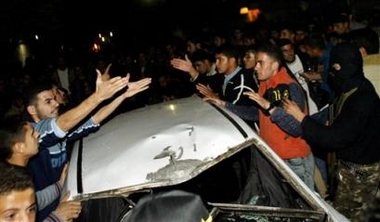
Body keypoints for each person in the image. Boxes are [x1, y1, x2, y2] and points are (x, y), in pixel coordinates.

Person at [23, 64, 151, 221]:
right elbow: (62, 124)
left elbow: (93, 120)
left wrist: (123, 96)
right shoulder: (33, 132)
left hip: (66, 203)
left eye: (54, 99)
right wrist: (98, 96)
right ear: (32, 110)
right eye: (48, 101)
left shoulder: (59, 131)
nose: (56, 103)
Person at [283, 42, 380, 221]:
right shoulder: (352, 86)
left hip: (360, 174)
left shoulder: (362, 98)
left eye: (337, 67)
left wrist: (301, 118)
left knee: (348, 216)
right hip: (349, 167)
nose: (334, 73)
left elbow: (334, 138)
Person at [205, 44, 315, 190]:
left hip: (294, 160)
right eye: (256, 62)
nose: (256, 67)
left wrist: (270, 108)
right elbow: (257, 114)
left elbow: (297, 128)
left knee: (303, 209)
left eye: (260, 63)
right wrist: (224, 104)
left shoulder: (288, 87)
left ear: (274, 65)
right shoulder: (266, 84)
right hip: (276, 158)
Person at [0, 119, 81, 222]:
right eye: (11, 215)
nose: (38, 134)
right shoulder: (6, 181)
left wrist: (59, 185)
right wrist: (56, 217)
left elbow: (37, 200)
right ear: (19, 147)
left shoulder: (24, 171)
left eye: (31, 210)